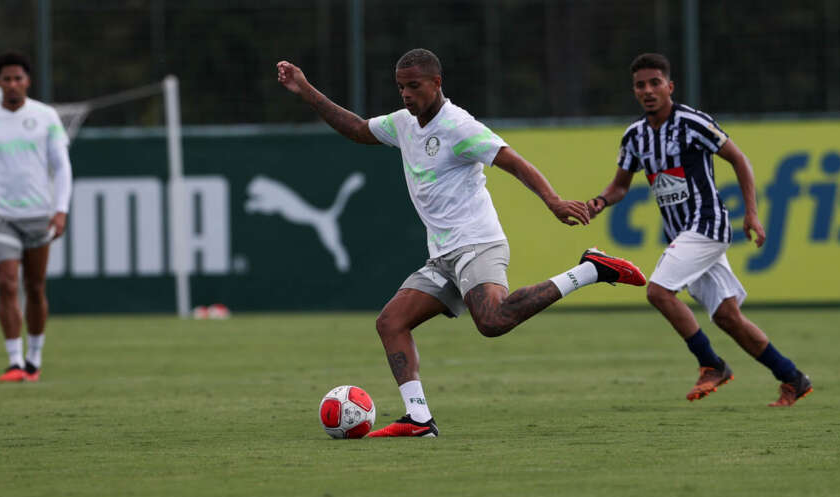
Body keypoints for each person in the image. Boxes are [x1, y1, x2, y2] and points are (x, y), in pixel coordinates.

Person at [278, 48, 646, 437]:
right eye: (401, 86)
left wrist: (553, 201)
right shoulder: (403, 123)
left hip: (477, 244)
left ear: (436, 83)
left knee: (492, 320)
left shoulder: (459, 126)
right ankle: (418, 418)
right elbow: (356, 128)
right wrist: (306, 90)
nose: (405, 94)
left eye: (414, 86)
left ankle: (591, 269)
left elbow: (513, 161)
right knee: (391, 322)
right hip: (442, 257)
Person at [586, 53, 812, 407]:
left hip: (707, 224)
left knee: (658, 292)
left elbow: (740, 159)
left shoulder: (692, 123)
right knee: (728, 317)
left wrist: (751, 214)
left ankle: (712, 364)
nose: (648, 91)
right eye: (640, 85)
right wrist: (599, 202)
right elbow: (620, 186)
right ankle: (792, 377)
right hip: (682, 235)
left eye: (655, 83)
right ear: (634, 91)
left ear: (669, 87)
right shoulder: (634, 137)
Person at [0, 52, 72, 383]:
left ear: (27, 81)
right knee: (6, 283)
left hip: (38, 214)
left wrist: (60, 209)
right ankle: (14, 361)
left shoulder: (46, 116)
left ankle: (34, 359)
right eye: (6, 79)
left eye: (18, 78)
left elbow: (62, 167)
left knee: (34, 287)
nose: (12, 84)